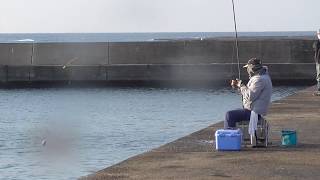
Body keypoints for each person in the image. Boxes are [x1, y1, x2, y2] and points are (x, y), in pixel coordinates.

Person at [224, 58, 273, 130]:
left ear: (252, 68)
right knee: (235, 111)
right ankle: (233, 135)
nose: (247, 71)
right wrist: (238, 86)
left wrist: (241, 85)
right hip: (254, 110)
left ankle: (230, 138)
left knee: (229, 115)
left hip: (254, 113)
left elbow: (250, 96)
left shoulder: (259, 79)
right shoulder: (263, 77)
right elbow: (249, 93)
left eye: (248, 68)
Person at [313, 29, 320, 95]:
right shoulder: (317, 42)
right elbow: (315, 48)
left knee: (319, 75)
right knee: (319, 75)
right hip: (319, 61)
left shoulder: (317, 42)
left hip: (318, 61)